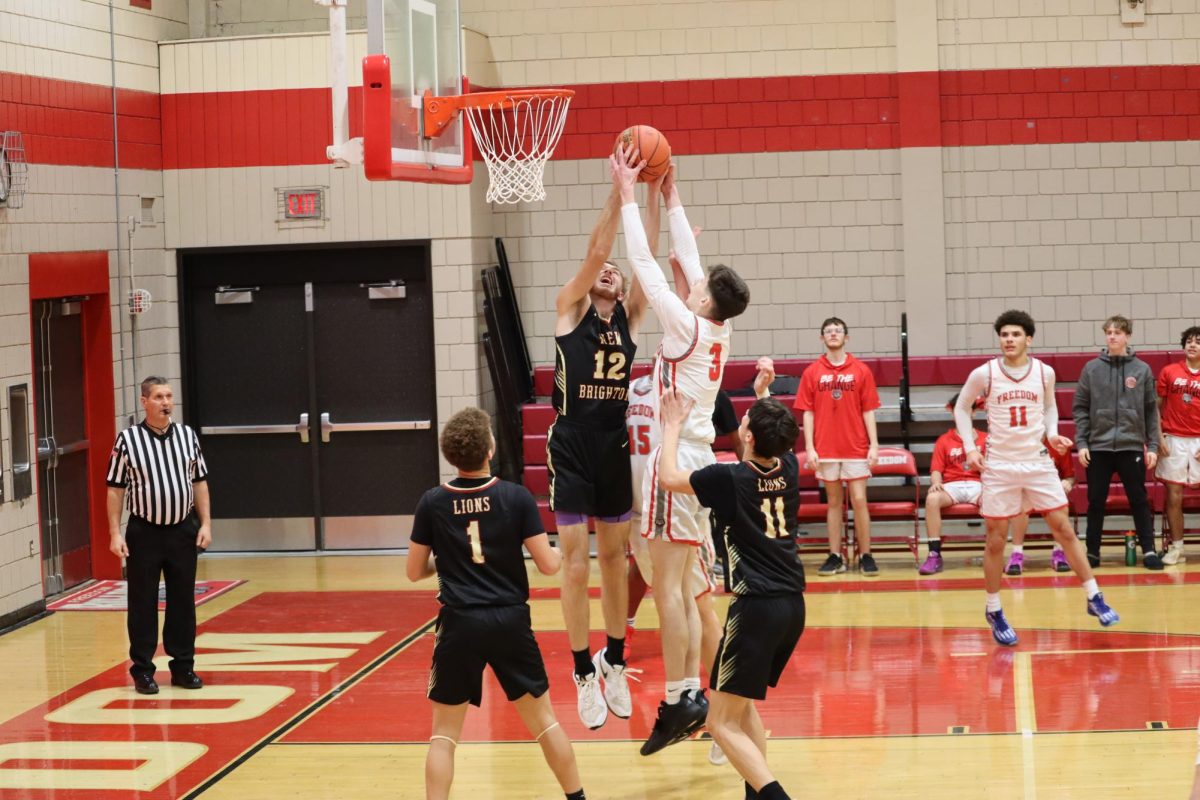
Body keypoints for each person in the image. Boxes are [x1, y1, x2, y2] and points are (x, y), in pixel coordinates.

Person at [615, 147, 751, 755]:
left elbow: (644, 264)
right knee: (693, 590)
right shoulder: (720, 325)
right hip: (698, 466)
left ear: (701, 300)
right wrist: (668, 194)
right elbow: (689, 262)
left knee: (667, 587)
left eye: (696, 287)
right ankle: (704, 695)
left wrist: (625, 191)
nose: (691, 285)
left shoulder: (686, 324)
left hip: (676, 468)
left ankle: (679, 697)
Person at [407, 408, 586, 800]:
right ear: (490, 448)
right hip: (509, 620)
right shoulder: (515, 497)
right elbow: (548, 564)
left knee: (443, 735)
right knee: (545, 723)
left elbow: (414, 571)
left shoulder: (432, 502)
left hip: (459, 623)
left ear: (450, 455)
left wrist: (451, 556)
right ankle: (577, 797)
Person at [655, 390, 806, 800]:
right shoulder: (789, 466)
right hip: (793, 606)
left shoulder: (728, 479)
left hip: (756, 608)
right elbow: (774, 436)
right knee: (740, 710)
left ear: (750, 438)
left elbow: (668, 477)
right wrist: (764, 397)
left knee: (720, 723)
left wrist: (670, 426)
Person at [548, 152, 655, 729]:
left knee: (615, 557)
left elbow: (645, 256)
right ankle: (581, 671)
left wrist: (654, 193)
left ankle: (613, 658)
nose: (610, 270)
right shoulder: (570, 311)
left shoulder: (630, 319)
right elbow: (596, 253)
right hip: (571, 440)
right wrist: (619, 192)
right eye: (604, 270)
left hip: (614, 442)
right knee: (574, 564)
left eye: (616, 271)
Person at [626, 358, 775, 767]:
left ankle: (704, 707)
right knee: (693, 603)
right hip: (769, 586)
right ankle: (717, 715)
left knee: (693, 604)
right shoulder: (774, 468)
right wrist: (762, 394)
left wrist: (673, 430)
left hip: (687, 507)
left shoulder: (706, 411)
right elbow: (766, 448)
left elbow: (683, 475)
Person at [955, 310, 1119, 646]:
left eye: (1015, 334)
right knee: (996, 538)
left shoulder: (1044, 372)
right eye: (1004, 335)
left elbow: (1048, 408)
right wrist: (971, 447)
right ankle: (994, 608)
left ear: (1029, 338)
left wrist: (1053, 434)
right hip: (1000, 465)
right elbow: (961, 407)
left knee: (1063, 528)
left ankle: (1094, 595)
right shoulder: (984, 372)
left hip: (1037, 460)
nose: (1009, 340)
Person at [105, 376, 211, 695]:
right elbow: (114, 490)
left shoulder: (187, 436)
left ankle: (182, 667)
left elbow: (200, 482)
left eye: (169, 396)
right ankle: (143, 670)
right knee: (143, 602)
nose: (166, 403)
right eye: (158, 397)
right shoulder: (127, 440)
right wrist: (114, 532)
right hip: (144, 532)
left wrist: (206, 523)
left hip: (182, 530)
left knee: (182, 601)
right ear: (144, 402)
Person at [1073, 315, 1162, 570]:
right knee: (1096, 501)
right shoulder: (1091, 369)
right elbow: (1080, 408)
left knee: (1139, 500)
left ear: (1127, 336)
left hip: (1131, 445)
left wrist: (1152, 446)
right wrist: (1082, 443)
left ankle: (1148, 551)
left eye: (1117, 332)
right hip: (1098, 447)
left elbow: (1150, 411)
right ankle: (1092, 553)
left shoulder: (1141, 369)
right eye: (1108, 332)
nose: (1112, 336)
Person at [795, 318, 881, 576]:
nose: (833, 334)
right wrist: (810, 447)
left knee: (859, 499)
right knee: (834, 503)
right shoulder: (812, 372)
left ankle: (865, 554)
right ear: (822, 338)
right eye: (828, 331)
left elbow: (869, 411)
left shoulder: (861, 370)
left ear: (847, 337)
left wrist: (874, 445)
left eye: (838, 331)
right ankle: (835, 555)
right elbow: (807, 413)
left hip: (855, 446)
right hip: (826, 447)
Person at [918, 393, 986, 575]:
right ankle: (934, 554)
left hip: (977, 485)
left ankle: (993, 553)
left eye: (966, 410)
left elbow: (992, 469)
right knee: (932, 499)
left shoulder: (985, 438)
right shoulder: (944, 440)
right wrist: (936, 483)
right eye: (958, 410)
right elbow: (936, 470)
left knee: (995, 500)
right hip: (951, 486)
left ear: (973, 412)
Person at [1156, 325, 1200, 565]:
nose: (1192, 345)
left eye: (1198, 342)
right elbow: (1157, 406)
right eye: (1189, 341)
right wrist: (1158, 436)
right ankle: (1177, 548)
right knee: (1174, 495)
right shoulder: (1169, 371)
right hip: (1173, 438)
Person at [1004, 438, 1076, 574]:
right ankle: (1016, 554)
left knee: (1061, 502)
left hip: (1049, 490)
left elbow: (1070, 476)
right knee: (1019, 502)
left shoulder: (1057, 443)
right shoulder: (1018, 441)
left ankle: (1059, 552)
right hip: (1024, 490)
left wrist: (1067, 483)